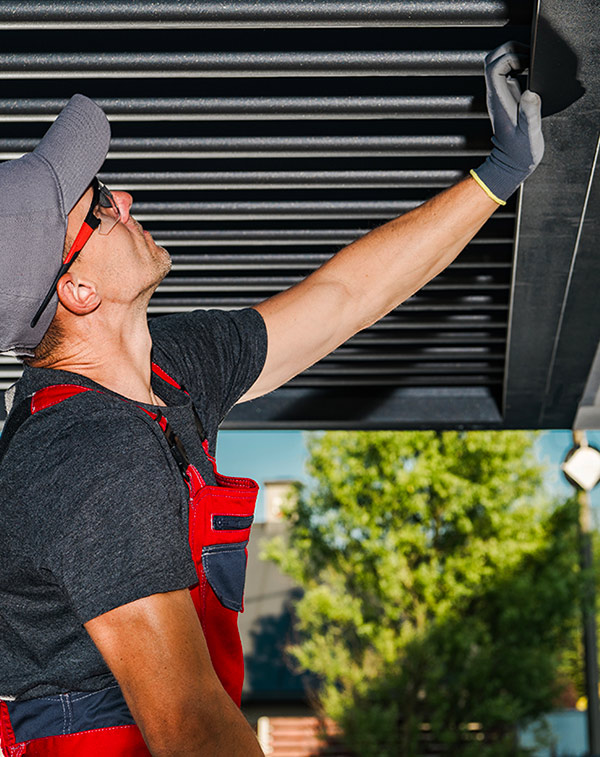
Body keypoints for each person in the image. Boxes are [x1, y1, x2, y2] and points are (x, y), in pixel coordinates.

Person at [0, 42, 543, 756]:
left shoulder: (168, 370)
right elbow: (188, 725)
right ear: (78, 291)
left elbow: (342, 298)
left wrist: (497, 175)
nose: (124, 199)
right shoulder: (88, 455)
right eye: (99, 206)